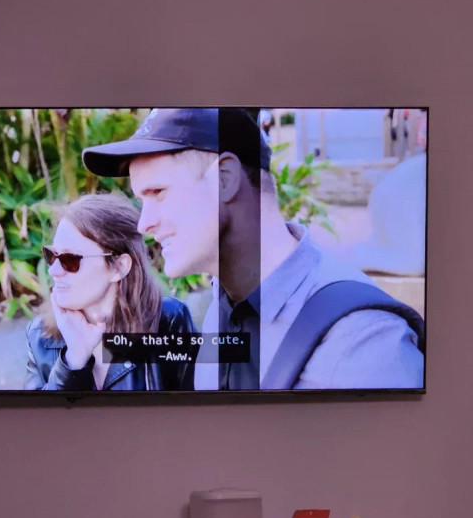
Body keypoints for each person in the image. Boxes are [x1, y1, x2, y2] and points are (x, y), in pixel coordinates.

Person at [82, 108, 424, 391]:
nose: (144, 224)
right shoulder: (225, 305)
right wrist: (89, 355)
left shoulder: (364, 345)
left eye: (158, 192)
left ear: (225, 179)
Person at [25, 193, 196, 391]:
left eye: (70, 260)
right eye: (51, 256)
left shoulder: (169, 320)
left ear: (119, 267)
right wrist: (73, 362)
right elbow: (36, 412)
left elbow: (197, 404)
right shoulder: (39, 336)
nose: (53, 271)